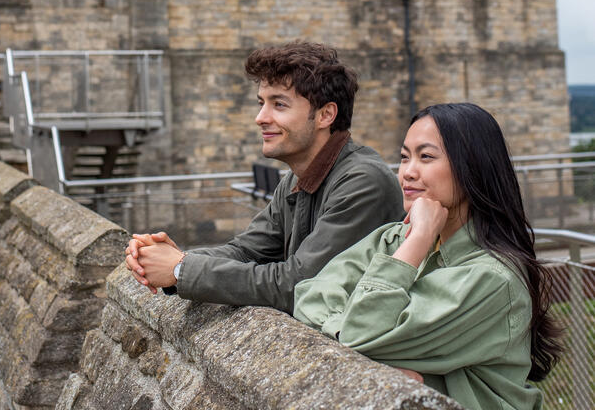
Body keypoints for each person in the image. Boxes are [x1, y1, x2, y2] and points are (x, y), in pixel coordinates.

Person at [293, 103, 562, 410]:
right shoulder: (394, 238)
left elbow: (358, 334)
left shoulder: (493, 279)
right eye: (404, 157)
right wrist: (372, 352)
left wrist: (419, 238)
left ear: (471, 167)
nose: (407, 172)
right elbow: (310, 295)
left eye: (426, 157)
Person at [124, 41, 403, 313]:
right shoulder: (296, 178)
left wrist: (179, 269)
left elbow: (301, 284)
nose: (260, 117)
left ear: (325, 115)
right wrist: (173, 258)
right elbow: (245, 251)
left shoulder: (363, 182)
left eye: (278, 105)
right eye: (261, 103)